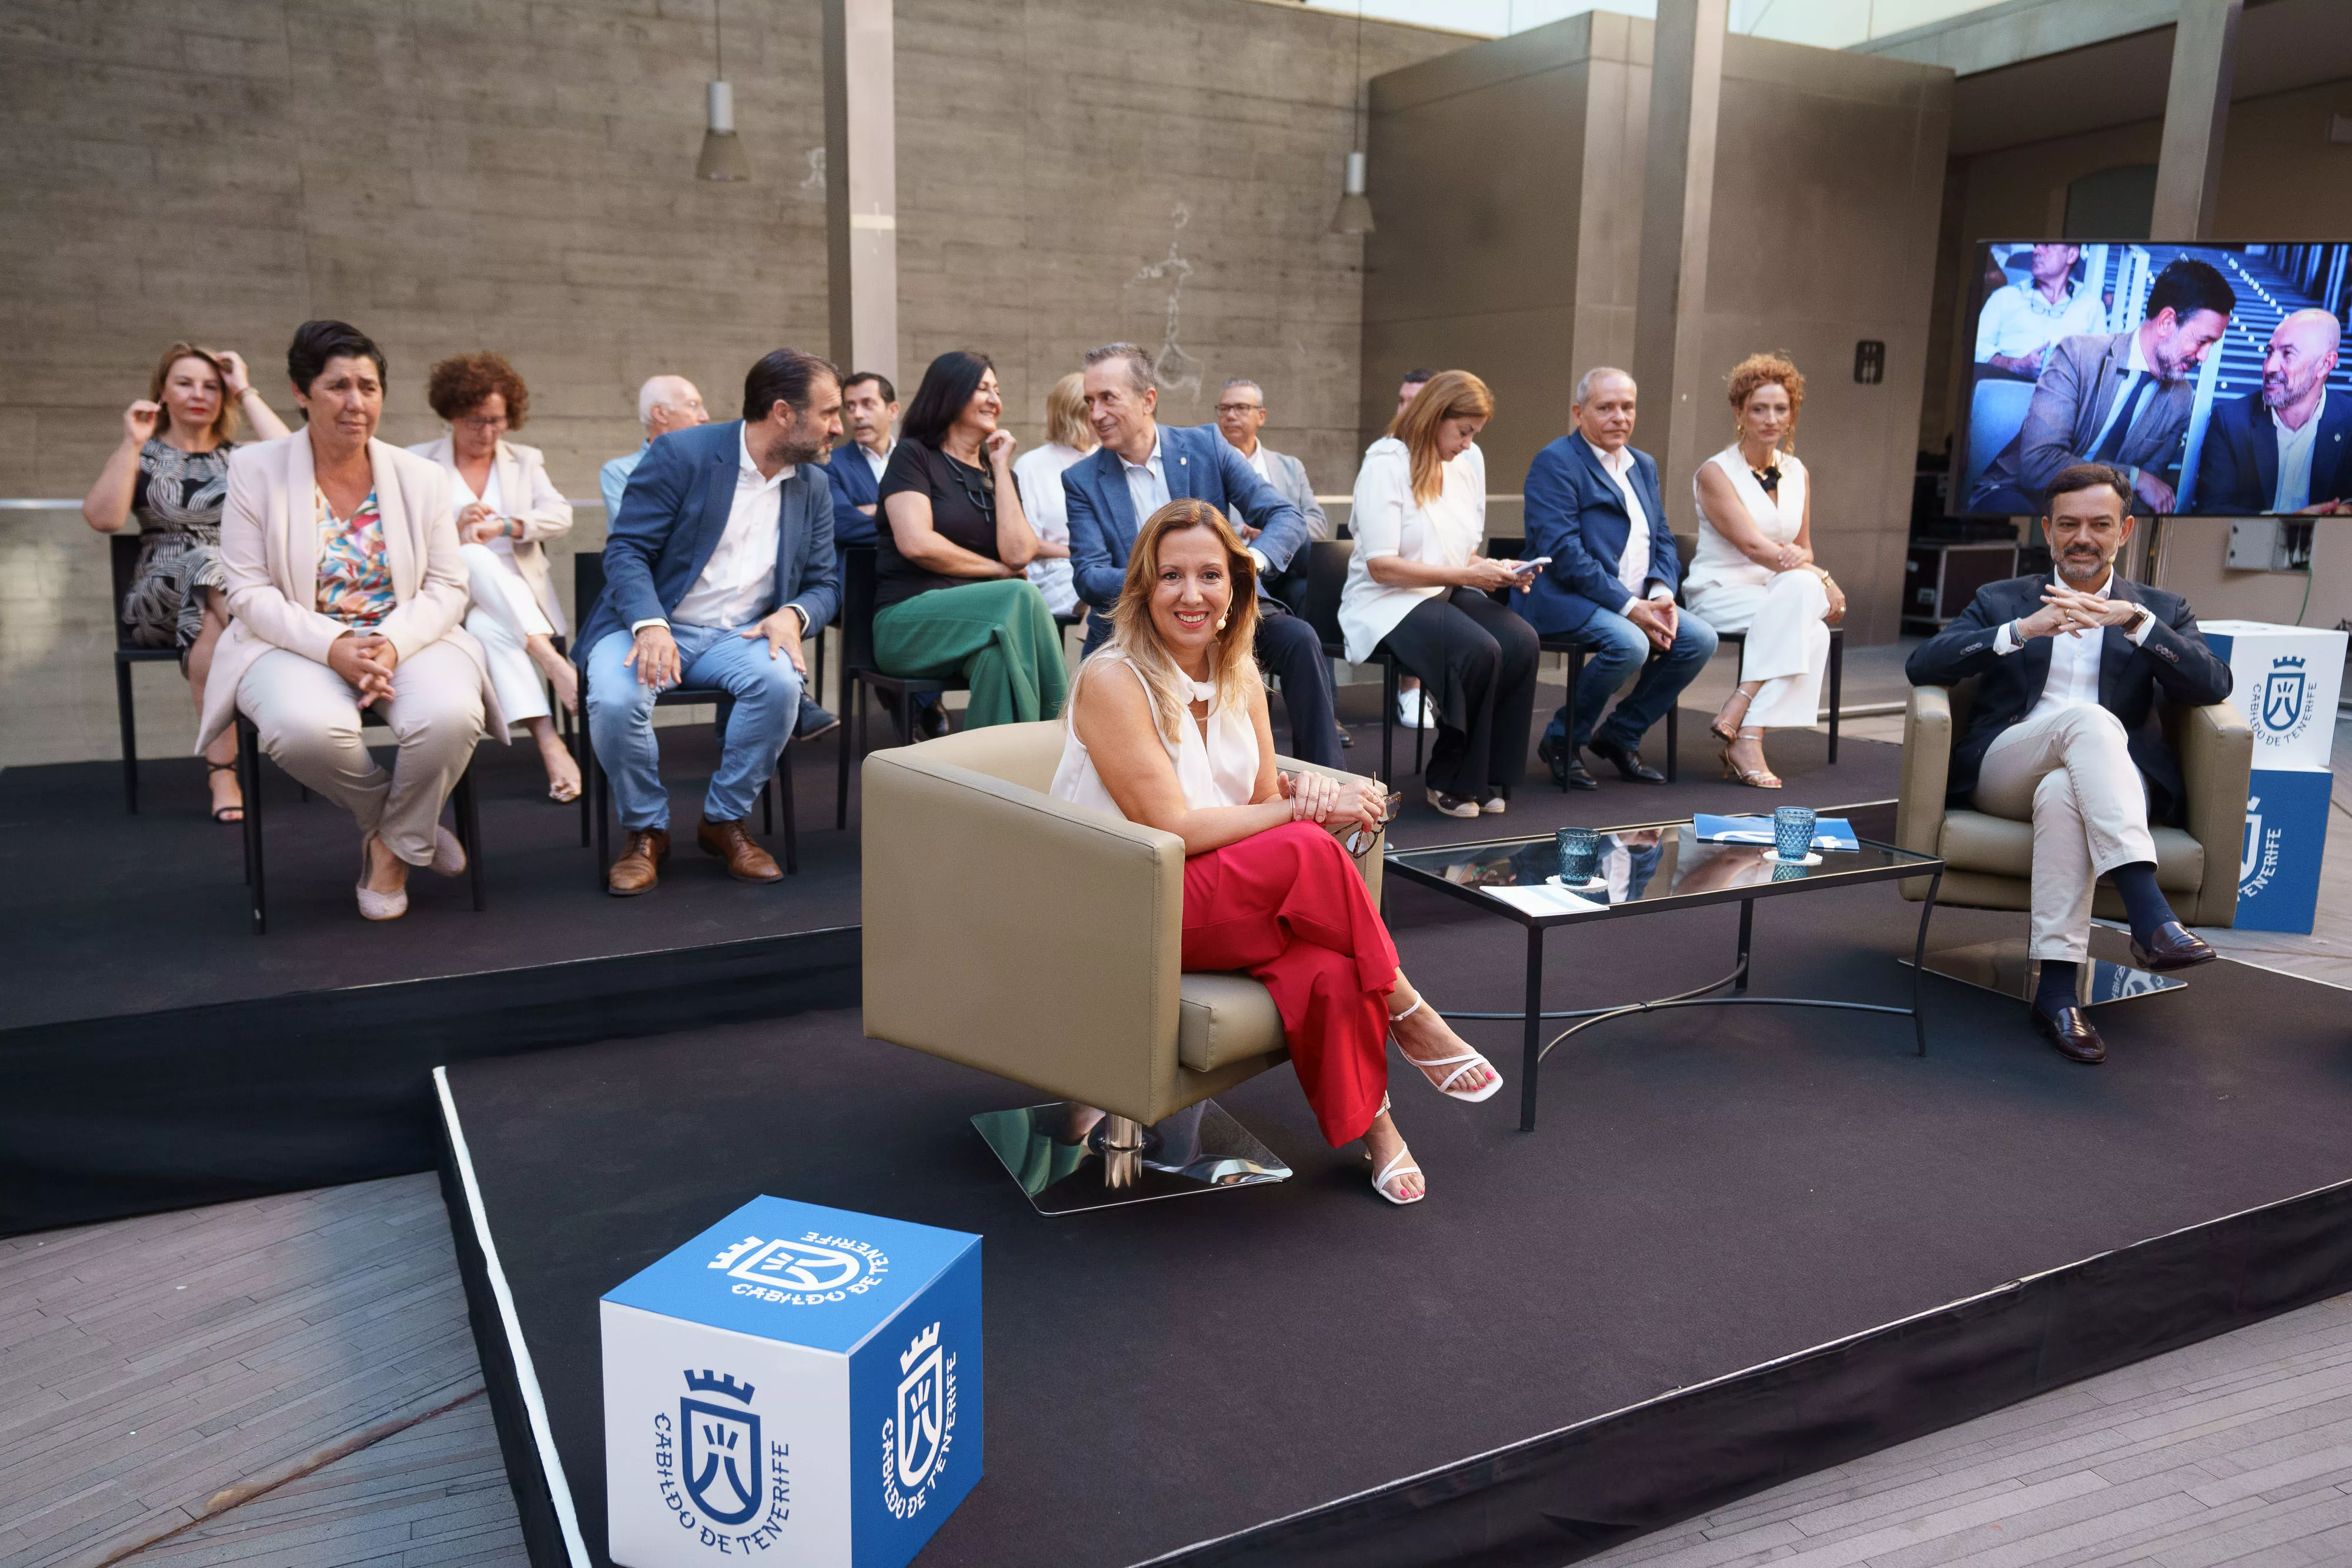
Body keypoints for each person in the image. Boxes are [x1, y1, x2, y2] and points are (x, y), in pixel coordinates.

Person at [1050, 496, 1502, 1205]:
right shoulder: (1113, 679)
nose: (1191, 594)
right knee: (1302, 845)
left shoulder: (1241, 679)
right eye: (1171, 576)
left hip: (1217, 897)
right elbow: (1169, 824)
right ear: (1144, 588)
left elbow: (1262, 803)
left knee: (1323, 964)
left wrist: (1311, 802)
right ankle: (1408, 1008)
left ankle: (1376, 1128)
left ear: (1237, 587)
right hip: (1126, 900)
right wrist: (1299, 805)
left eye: (1209, 575)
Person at [1906, 462, 2233, 1066]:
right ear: (2048, 531)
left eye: (2099, 524)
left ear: (2126, 530)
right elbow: (1924, 665)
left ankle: (2056, 993)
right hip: (2009, 763)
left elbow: (2213, 684)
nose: (2082, 537)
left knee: (2064, 790)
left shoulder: (2157, 607)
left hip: (2110, 777)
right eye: (2068, 525)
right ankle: (2148, 914)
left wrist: (2133, 624)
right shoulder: (2002, 599)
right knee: (2084, 721)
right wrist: (2018, 631)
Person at [203, 320, 495, 921]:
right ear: (301, 392)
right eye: (337, 386)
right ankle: (401, 822)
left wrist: (389, 643)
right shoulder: (254, 470)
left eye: (368, 386)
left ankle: (389, 849)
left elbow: (447, 585)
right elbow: (248, 591)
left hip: (410, 635)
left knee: (449, 717)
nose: (356, 403)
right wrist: (335, 645)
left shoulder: (420, 477)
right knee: (303, 730)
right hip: (291, 640)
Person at [577, 349, 843, 896]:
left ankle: (723, 820)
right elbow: (626, 552)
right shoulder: (684, 454)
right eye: (829, 412)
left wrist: (794, 616)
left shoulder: (813, 484)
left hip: (738, 635)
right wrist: (649, 624)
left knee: (778, 683)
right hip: (651, 623)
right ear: (783, 413)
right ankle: (646, 828)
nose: (839, 426)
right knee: (617, 700)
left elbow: (826, 584)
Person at [1065, 342, 1340, 768]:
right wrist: (1167, 581)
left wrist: (1248, 564)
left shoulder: (1207, 445)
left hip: (1223, 610)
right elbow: (1089, 575)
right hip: (1141, 625)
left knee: (1300, 640)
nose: (1095, 413)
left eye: (1108, 398)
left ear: (1148, 399)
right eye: (1089, 401)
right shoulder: (1081, 479)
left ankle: (1328, 788)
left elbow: (1285, 515)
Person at [82, 342, 290, 823]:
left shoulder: (243, 457)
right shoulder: (145, 451)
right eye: (185, 383)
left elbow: (299, 460)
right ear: (163, 393)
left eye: (212, 386)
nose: (199, 393)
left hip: (220, 599)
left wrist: (247, 388)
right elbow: (103, 518)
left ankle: (223, 771)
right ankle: (275, 644)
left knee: (210, 625)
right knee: (206, 561)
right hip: (157, 597)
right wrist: (132, 442)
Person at [1338, 371, 1538, 817]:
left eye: (1474, 433)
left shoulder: (1463, 467)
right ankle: (1449, 777)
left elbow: (1461, 551)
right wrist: (1469, 576)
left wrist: (1496, 571)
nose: (1469, 443)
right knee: (1479, 649)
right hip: (1384, 598)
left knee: (1520, 641)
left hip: (1443, 587)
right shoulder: (1386, 463)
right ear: (1434, 417)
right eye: (1464, 431)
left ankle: (1486, 773)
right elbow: (1381, 565)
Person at [1518, 367, 1717, 790]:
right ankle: (1562, 739)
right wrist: (1631, 608)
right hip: (1566, 596)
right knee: (1630, 643)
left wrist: (1661, 592)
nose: (1619, 417)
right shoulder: (1555, 462)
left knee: (1700, 639)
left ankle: (1621, 733)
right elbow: (1563, 553)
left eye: (1627, 407)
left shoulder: (1642, 464)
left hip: (1637, 598)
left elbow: (1661, 535)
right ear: (1578, 412)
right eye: (1605, 407)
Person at [408, 353, 581, 803]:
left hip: (512, 602)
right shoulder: (417, 464)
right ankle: (553, 663)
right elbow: (402, 539)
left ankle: (550, 744)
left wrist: (505, 525)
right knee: (473, 557)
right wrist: (455, 527)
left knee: (489, 624)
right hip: (449, 597)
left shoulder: (525, 460)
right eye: (476, 421)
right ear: (451, 415)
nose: (487, 432)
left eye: (497, 421)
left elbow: (559, 515)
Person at [872, 350, 1064, 734]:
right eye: (982, 388)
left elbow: (1019, 553)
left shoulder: (1001, 472)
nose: (995, 399)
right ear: (950, 392)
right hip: (908, 625)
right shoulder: (914, 456)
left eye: (997, 389)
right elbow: (916, 542)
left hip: (985, 628)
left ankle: (988, 784)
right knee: (1020, 595)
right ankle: (1063, 734)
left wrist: (998, 467)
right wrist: (996, 571)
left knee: (998, 663)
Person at [1687, 353, 1847, 790]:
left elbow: (1803, 547)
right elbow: (1755, 547)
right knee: (1809, 617)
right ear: (1739, 412)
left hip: (1779, 593)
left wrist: (1811, 571)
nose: (1771, 418)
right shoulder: (1715, 473)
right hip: (1723, 590)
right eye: (1759, 408)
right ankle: (1744, 714)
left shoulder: (1797, 471)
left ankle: (1746, 727)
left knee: (1804, 606)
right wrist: (1825, 580)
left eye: (1781, 408)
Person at [1968, 257, 2236, 516]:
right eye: (2202, 341)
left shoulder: (2181, 399)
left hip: (2093, 517)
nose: (2204, 356)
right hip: (2019, 495)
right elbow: (2038, 466)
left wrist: (2138, 484)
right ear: (2167, 322)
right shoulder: (2078, 354)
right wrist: (2132, 477)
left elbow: (2148, 494)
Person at [2196, 308, 2350, 516]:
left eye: (2288, 354)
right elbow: (2210, 510)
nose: (2269, 367)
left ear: (2325, 364)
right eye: (2270, 353)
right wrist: (2284, 522)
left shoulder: (2349, 421)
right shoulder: (2230, 421)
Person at [1011, 371, 1091, 618]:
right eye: (1094, 405)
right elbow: (1028, 544)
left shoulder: (1108, 460)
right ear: (1077, 414)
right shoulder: (1031, 465)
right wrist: (1081, 553)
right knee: (1108, 592)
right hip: (1053, 573)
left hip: (1099, 568)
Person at [1975, 244, 2107, 380]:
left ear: (2072, 254)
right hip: (2006, 389)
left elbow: (2099, 368)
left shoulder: (2092, 308)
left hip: (2063, 396)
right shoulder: (2005, 297)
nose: (2036, 251)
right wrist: (2014, 365)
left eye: (2047, 245)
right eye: (2036, 245)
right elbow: (1976, 348)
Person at [600, 375, 710, 519]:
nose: (705, 417)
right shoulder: (621, 472)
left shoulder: (712, 468)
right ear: (660, 413)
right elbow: (635, 533)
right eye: (693, 405)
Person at [823, 371, 898, 547]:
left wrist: (874, 510)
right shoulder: (828, 464)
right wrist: (913, 526)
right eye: (850, 407)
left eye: (868, 404)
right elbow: (841, 525)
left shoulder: (918, 461)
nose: (858, 415)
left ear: (893, 411)